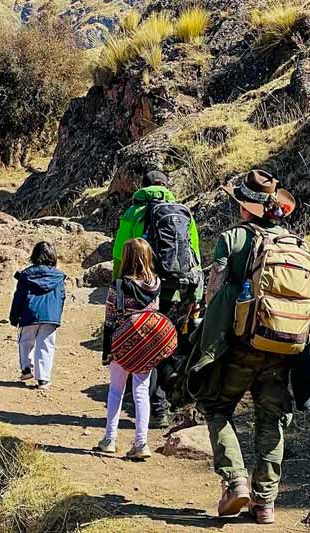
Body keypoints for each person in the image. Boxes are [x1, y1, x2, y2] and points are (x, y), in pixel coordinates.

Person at [197, 169, 298, 525]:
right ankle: (265, 503)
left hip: (241, 345)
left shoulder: (232, 238)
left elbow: (214, 291)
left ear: (245, 207)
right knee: (271, 420)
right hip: (283, 347)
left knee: (216, 406)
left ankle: (235, 480)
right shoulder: (293, 242)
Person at [111, 170, 202, 429]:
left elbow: (120, 255)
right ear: (167, 187)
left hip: (143, 292)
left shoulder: (133, 214)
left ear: (143, 187)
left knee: (145, 347)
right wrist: (194, 294)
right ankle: (164, 400)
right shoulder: (183, 213)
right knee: (166, 345)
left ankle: (155, 408)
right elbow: (193, 254)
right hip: (177, 290)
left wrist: (118, 289)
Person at [98, 238, 162, 460]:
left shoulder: (118, 286)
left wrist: (107, 351)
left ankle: (109, 439)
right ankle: (141, 443)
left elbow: (109, 318)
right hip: (145, 346)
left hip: (121, 344)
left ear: (126, 258)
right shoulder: (156, 284)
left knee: (116, 390)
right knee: (141, 392)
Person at [9, 241, 66, 391]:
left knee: (25, 341)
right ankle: (44, 380)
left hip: (28, 314)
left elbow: (19, 297)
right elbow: (61, 297)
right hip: (50, 316)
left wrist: (14, 317)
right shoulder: (59, 277)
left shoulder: (26, 275)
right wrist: (56, 315)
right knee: (46, 346)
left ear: (34, 256)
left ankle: (26, 369)